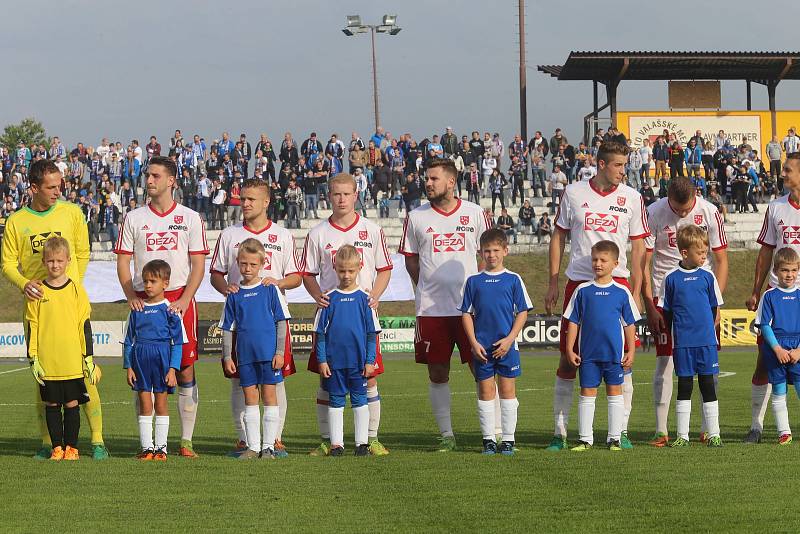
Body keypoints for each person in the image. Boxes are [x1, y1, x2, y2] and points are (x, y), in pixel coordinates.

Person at [544, 142, 649, 451]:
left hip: (618, 286)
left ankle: (622, 431)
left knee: (623, 361)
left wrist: (639, 290)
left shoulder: (632, 197)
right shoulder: (574, 193)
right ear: (602, 164)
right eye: (618, 165)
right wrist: (553, 282)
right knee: (568, 359)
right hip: (579, 284)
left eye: (624, 165)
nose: (623, 171)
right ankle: (560, 433)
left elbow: (640, 247)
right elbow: (559, 236)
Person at [1, 159, 108, 460]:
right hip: (38, 309)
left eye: (59, 184)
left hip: (70, 308)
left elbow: (83, 252)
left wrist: (73, 285)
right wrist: (25, 284)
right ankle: (48, 443)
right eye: (51, 187)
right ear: (33, 187)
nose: (58, 191)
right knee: (43, 378)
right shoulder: (16, 222)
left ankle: (97, 440)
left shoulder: (72, 213)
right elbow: (7, 263)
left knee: (85, 374)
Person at [115, 155, 208, 458]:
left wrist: (184, 299)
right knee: (143, 370)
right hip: (145, 299)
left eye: (155, 176)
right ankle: (147, 443)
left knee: (184, 369)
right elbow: (124, 261)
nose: (149, 181)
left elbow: (197, 264)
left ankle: (186, 441)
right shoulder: (134, 217)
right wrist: (131, 294)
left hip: (180, 297)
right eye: (147, 176)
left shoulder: (191, 217)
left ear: (171, 181)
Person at [399, 158, 492, 451]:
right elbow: (411, 259)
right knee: (437, 372)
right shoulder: (416, 217)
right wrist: (425, 285)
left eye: (434, 178)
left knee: (482, 368)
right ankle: (447, 435)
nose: (428, 183)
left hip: (470, 309)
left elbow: (489, 254)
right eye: (426, 178)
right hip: (431, 309)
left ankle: (495, 433)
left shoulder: (476, 213)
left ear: (451, 182)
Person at [300, 173, 393, 456]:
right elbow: (308, 273)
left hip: (361, 315)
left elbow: (384, 268)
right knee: (326, 377)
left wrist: (374, 296)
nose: (341, 199)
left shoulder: (372, 230)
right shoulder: (317, 233)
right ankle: (329, 441)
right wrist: (318, 296)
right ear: (329, 195)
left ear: (356, 195)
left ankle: (371, 439)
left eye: (346, 194)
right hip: (332, 316)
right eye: (336, 194)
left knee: (370, 376)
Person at [210, 179, 302, 454]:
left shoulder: (282, 236)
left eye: (251, 199)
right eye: (242, 198)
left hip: (271, 319)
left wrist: (277, 283)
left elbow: (296, 276)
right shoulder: (229, 235)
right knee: (240, 379)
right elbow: (216, 273)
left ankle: (274, 439)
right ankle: (244, 438)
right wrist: (227, 288)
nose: (245, 204)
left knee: (277, 380)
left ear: (266, 202)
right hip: (241, 318)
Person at [641, 177, 728, 447]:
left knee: (708, 366)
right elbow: (643, 261)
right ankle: (661, 430)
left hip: (701, 299)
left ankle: (706, 429)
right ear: (668, 197)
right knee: (665, 363)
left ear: (695, 196)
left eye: (685, 208)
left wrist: (716, 302)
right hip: (664, 294)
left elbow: (722, 259)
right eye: (676, 209)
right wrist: (649, 303)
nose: (680, 214)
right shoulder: (654, 212)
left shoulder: (709, 211)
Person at [460, 228, 532, 455]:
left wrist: (510, 339)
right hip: (482, 347)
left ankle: (508, 439)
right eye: (487, 251)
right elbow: (466, 314)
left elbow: (522, 312)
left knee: (508, 391)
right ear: (480, 253)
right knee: (485, 391)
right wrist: (473, 343)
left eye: (496, 250)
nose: (491, 255)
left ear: (505, 251)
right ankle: (489, 440)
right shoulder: (473, 281)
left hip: (507, 347)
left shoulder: (513, 279)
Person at [744, 152, 800, 443]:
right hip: (778, 295)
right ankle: (756, 425)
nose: (783, 174)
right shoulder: (776, 207)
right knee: (765, 361)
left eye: (789, 170)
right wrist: (756, 290)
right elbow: (766, 251)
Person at [26, 236, 98, 461]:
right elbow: (32, 326)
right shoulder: (37, 292)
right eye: (50, 261)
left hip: (72, 362)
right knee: (52, 405)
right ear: (44, 262)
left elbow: (84, 325)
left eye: (59, 260)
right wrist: (33, 358)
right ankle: (57, 447)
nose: (54, 265)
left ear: (68, 260)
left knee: (72, 404)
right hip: (48, 363)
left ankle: (72, 448)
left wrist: (88, 358)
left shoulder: (76, 290)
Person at [564, 240, 639, 451]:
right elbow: (573, 322)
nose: (598, 264)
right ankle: (585, 439)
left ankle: (614, 438)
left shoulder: (621, 292)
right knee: (587, 394)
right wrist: (570, 349)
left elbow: (629, 324)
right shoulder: (582, 290)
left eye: (603, 260)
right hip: (588, 355)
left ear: (615, 263)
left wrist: (631, 350)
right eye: (595, 259)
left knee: (615, 393)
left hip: (614, 356)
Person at [219, 239, 291, 459]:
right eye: (243, 264)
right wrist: (226, 356)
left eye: (252, 264)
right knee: (250, 398)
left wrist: (280, 352)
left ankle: (268, 446)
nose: (247, 269)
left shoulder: (270, 289)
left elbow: (281, 322)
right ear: (237, 263)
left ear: (262, 263)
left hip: (269, 355)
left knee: (270, 396)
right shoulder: (233, 294)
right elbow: (227, 328)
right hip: (245, 357)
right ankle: (253, 446)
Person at [312, 245, 382, 457]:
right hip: (335, 364)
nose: (346, 275)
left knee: (360, 400)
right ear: (335, 269)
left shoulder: (365, 299)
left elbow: (372, 334)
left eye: (351, 271)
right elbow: (320, 334)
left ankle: (362, 444)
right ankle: (336, 444)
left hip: (358, 363)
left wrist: (370, 361)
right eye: (342, 270)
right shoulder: (328, 299)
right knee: (336, 401)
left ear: (360, 267)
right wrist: (322, 361)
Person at [658, 225, 724, 447]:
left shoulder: (708, 276)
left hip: (706, 342)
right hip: (683, 343)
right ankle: (682, 436)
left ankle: (714, 433)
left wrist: (706, 329)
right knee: (684, 386)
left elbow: (714, 308)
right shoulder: (670, 278)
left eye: (706, 252)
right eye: (700, 253)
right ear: (684, 252)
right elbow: (666, 312)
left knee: (708, 385)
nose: (704, 257)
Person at [123, 260, 185, 461]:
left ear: (165, 283)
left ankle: (161, 449)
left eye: (153, 281)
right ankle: (146, 448)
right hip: (141, 360)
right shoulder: (136, 310)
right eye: (145, 281)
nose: (148, 285)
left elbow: (177, 343)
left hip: (161, 360)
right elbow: (128, 341)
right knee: (144, 403)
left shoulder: (171, 311)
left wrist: (173, 369)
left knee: (161, 402)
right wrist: (129, 366)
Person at [755, 247, 800, 446]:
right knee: (779, 390)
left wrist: (799, 351)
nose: (789, 275)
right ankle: (784, 432)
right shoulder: (770, 296)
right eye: (784, 270)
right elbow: (764, 325)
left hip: (797, 347)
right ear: (775, 270)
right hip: (777, 349)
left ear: (798, 270)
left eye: (793, 270)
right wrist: (777, 349)